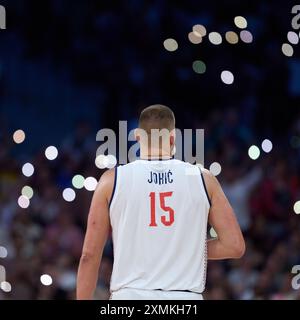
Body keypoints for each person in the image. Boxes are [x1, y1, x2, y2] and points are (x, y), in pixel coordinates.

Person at [76, 104, 245, 300]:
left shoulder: (111, 180)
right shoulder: (203, 178)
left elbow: (89, 256)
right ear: (173, 137)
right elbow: (234, 245)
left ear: (138, 136)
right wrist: (182, 249)